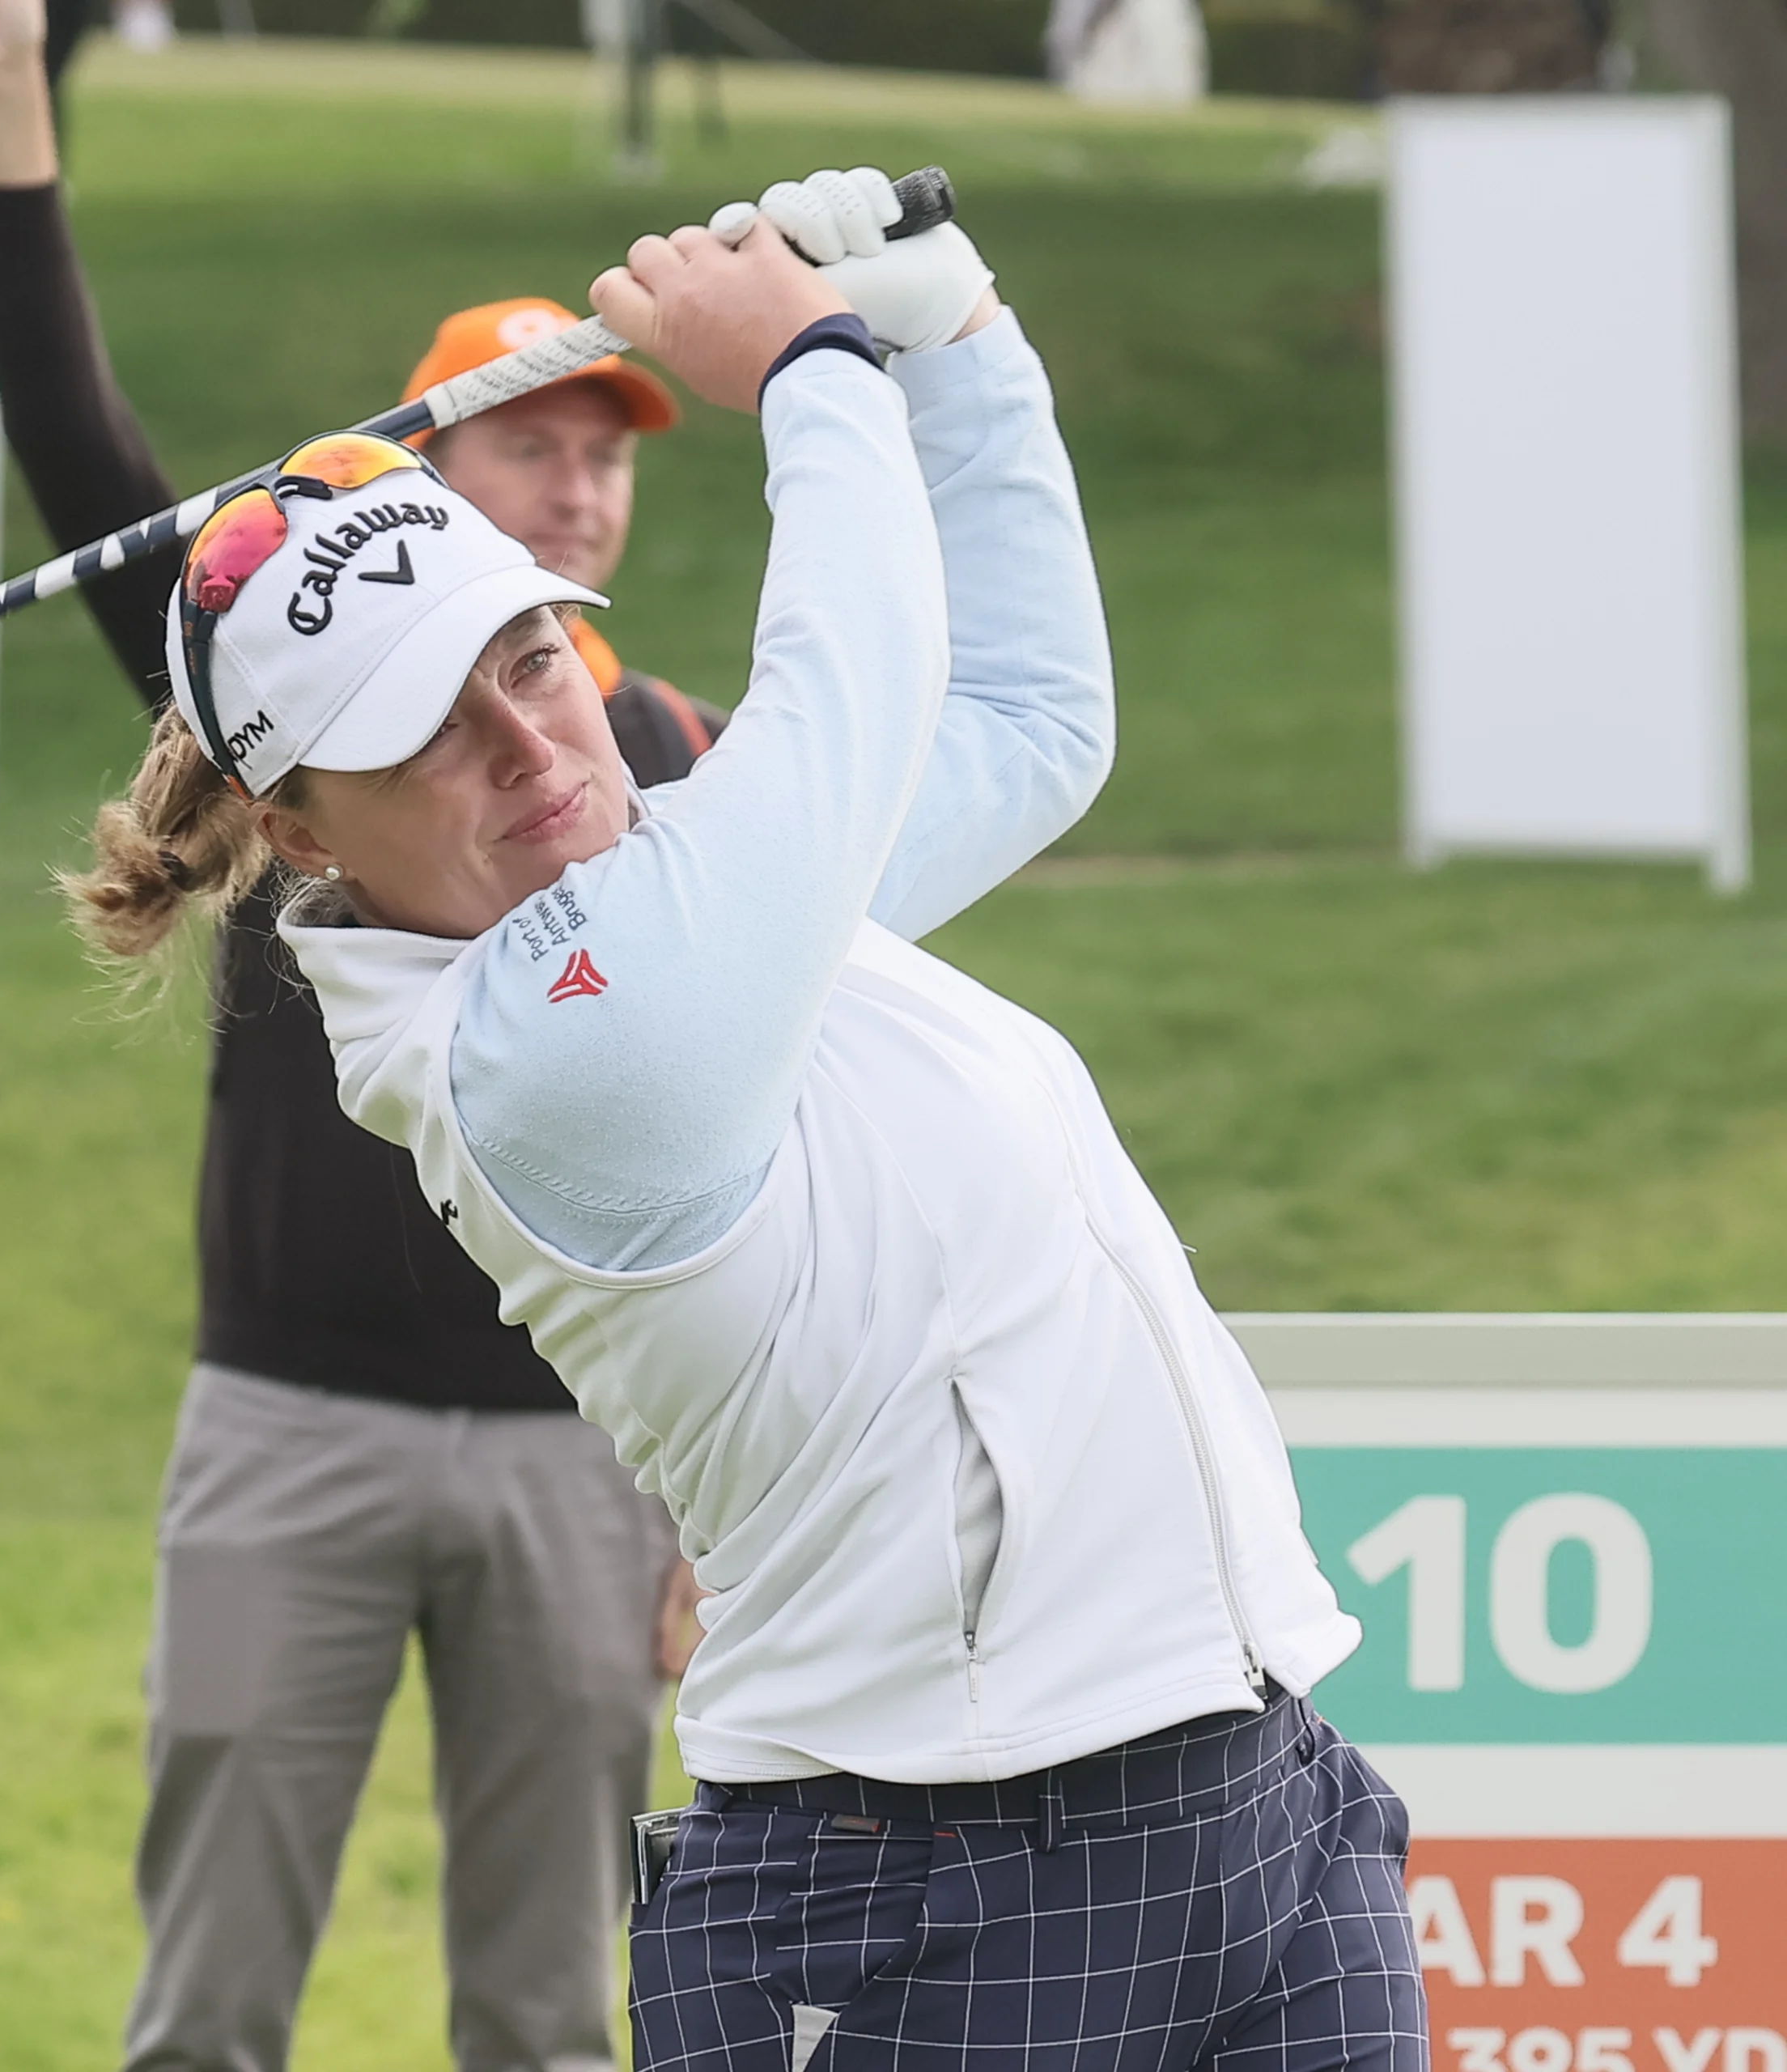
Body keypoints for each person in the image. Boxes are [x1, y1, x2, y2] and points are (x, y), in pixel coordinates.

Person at [69, 169, 1426, 2065]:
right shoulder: (546, 1053)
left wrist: (956, 333)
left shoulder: (699, 882)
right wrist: (813, 367)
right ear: (301, 830)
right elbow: (849, 697)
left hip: (1255, 1778)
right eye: (426, 730)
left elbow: (1031, 717)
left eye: (531, 657)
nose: (533, 746)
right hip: (924, 1882)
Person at [0, 1, 728, 2066]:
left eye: (607, 453)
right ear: (430, 476)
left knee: (552, 2017)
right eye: (532, 443)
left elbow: (746, 1139)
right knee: (206, 2012)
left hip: (578, 1447)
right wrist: (13, 100)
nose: (577, 486)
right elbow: (81, 444)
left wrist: (704, 1506)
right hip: (288, 1424)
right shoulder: (264, 699)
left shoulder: (673, 762)